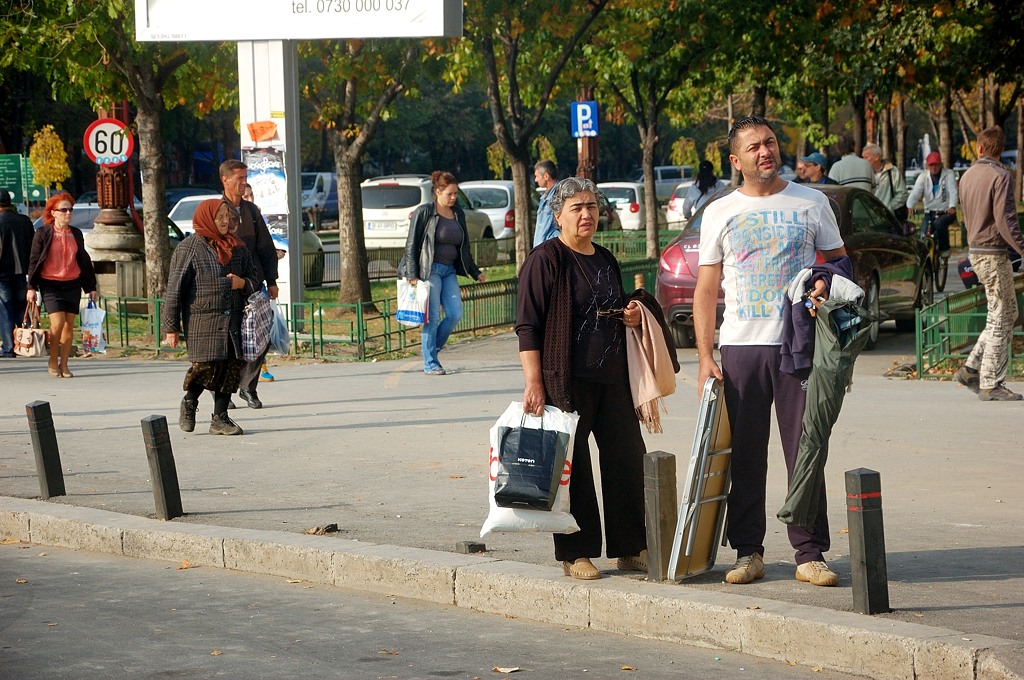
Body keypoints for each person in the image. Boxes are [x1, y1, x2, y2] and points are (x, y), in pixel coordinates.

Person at [693, 116, 847, 587]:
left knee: (805, 449)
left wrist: (826, 280)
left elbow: (840, 261)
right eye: (754, 147)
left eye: (771, 142)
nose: (766, 151)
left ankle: (809, 552)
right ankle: (748, 552)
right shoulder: (720, 211)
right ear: (735, 161)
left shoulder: (812, 201)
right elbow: (705, 290)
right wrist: (704, 356)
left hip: (799, 345)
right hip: (741, 347)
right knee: (745, 455)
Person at [516, 176, 649, 581]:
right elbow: (527, 326)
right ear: (558, 216)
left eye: (591, 206)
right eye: (577, 208)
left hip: (613, 379)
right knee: (575, 470)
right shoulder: (546, 260)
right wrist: (534, 382)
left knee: (627, 460)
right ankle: (576, 552)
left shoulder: (605, 258)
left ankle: (630, 548)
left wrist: (632, 313)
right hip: (565, 380)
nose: (587, 214)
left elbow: (616, 304)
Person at [162, 199, 260, 435]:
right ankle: (189, 402)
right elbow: (174, 289)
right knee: (205, 368)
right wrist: (171, 327)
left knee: (230, 369)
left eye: (227, 216)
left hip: (233, 319)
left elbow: (256, 275)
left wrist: (243, 283)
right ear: (207, 219)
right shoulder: (189, 248)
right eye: (220, 217)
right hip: (202, 321)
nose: (225, 222)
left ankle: (220, 418)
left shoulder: (237, 247)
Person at [952, 126, 1024, 402]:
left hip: (976, 250)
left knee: (1005, 312)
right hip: (993, 252)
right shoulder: (1000, 176)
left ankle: (971, 368)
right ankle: (991, 381)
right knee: (1002, 313)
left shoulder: (967, 176)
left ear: (980, 148)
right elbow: (1006, 221)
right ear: (999, 149)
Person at [398, 171, 486, 375]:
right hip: (430, 271)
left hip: (448, 271)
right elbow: (411, 245)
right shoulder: (424, 212)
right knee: (433, 316)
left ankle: (431, 350)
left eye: (455, 193)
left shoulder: (458, 214)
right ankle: (430, 363)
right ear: (437, 192)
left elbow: (464, 248)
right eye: (450, 194)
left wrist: (475, 272)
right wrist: (412, 273)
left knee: (455, 313)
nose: (454, 197)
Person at [219, 160, 278, 409]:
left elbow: (265, 248)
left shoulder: (252, 212)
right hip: (225, 286)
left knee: (260, 335)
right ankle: (223, 392)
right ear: (225, 180)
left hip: (253, 284)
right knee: (227, 339)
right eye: (239, 178)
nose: (244, 183)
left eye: (246, 178)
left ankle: (248, 386)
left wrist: (272, 280)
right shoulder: (215, 210)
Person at [26, 192, 98, 378]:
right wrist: (31, 287)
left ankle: (64, 364)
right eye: (63, 210)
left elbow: (83, 260)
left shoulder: (76, 233)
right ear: (53, 212)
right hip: (50, 284)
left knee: (69, 326)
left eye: (70, 210)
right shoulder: (43, 233)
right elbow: (34, 260)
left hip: (72, 284)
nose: (68, 213)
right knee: (57, 324)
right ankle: (52, 359)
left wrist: (91, 287)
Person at [242, 182, 275, 383]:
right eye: (246, 196)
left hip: (257, 282)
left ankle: (257, 373)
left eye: (251, 195)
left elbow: (265, 247)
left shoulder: (255, 215)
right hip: (237, 283)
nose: (250, 199)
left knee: (262, 328)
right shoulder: (228, 215)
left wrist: (271, 279)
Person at [0, 189, 35, 358]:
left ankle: (8, 348)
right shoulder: (25, 221)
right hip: (22, 272)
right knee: (22, 308)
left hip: (3, 274)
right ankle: (27, 342)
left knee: (5, 309)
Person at [907, 151, 958, 256]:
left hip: (945, 211)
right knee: (924, 235)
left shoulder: (949, 174)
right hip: (929, 211)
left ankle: (945, 249)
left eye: (936, 165)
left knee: (939, 224)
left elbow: (953, 191)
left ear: (940, 165)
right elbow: (916, 192)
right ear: (927, 166)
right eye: (931, 165)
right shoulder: (923, 177)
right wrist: (910, 205)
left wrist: (952, 206)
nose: (934, 168)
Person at [862, 143, 909, 221]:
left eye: (866, 157)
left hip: (888, 219)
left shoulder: (892, 171)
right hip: (869, 218)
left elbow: (902, 193)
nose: (863, 160)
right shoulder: (863, 173)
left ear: (876, 157)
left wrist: (889, 207)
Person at [532, 160, 559, 247]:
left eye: (537, 176)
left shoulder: (559, 195)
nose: (535, 180)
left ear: (546, 176)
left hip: (551, 248)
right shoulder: (544, 197)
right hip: (541, 248)